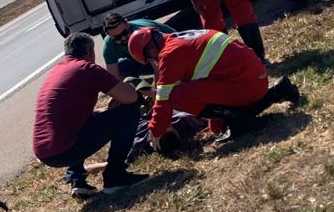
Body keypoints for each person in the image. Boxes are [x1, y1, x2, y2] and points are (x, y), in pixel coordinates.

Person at [128, 26, 300, 144]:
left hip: (247, 85)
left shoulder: (169, 55)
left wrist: (156, 131)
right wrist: (217, 122)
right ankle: (278, 91)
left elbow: (164, 98)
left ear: (151, 52)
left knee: (176, 95)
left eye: (151, 59)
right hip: (254, 79)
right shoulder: (179, 40)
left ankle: (239, 120)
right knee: (187, 91)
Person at [32, 33, 150, 197]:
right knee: (131, 110)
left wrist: (104, 114)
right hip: (65, 149)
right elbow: (129, 98)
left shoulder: (58, 70)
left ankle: (77, 180)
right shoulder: (86, 68)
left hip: (45, 152)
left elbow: (69, 115)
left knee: (92, 119)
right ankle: (115, 177)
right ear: (90, 52)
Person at [100, 11, 174, 78]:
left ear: (127, 23)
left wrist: (158, 90)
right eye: (117, 37)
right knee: (122, 67)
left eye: (125, 33)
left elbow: (158, 67)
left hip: (171, 53)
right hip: (146, 60)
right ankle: (139, 90)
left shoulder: (143, 33)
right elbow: (114, 77)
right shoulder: (108, 45)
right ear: (108, 35)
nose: (123, 38)